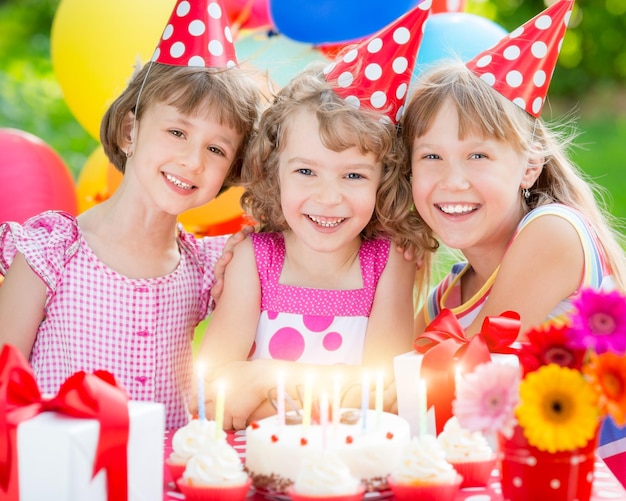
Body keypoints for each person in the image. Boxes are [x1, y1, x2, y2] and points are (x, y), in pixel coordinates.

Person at [0, 0, 260, 429]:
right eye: (177, 131)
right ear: (129, 131)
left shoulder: (207, 269)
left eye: (216, 149)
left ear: (229, 170)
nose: (192, 161)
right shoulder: (51, 250)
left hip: (162, 487)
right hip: (63, 479)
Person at [402, 0, 626, 482]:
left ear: (529, 166)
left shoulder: (551, 232)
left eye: (478, 155)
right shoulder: (447, 296)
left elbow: (466, 383)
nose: (452, 181)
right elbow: (407, 402)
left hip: (600, 478)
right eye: (431, 157)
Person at [196, 3, 436, 430]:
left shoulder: (389, 262)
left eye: (354, 175)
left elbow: (380, 401)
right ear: (274, 171)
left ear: (385, 180)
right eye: (306, 171)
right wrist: (336, 390)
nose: (329, 198)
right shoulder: (256, 259)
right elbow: (213, 396)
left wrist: (263, 379)